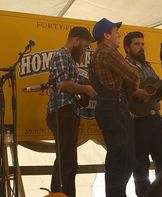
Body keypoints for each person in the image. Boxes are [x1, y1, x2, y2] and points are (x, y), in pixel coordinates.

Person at [89, 18, 149, 197]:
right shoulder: (109, 53)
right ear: (106, 36)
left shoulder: (97, 54)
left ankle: (115, 193)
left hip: (108, 106)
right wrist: (133, 76)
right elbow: (133, 74)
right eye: (116, 32)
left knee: (118, 156)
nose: (118, 35)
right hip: (114, 107)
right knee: (124, 157)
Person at [46, 26, 97, 197]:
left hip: (68, 111)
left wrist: (84, 90)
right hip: (62, 111)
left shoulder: (69, 58)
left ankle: (66, 194)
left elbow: (70, 84)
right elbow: (63, 84)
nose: (85, 49)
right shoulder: (61, 55)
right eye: (84, 45)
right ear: (75, 40)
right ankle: (58, 194)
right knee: (65, 161)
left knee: (69, 160)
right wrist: (86, 89)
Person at [123, 31, 162, 196]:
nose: (141, 47)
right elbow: (124, 93)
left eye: (143, 44)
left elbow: (155, 87)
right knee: (140, 165)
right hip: (137, 121)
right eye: (137, 44)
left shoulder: (147, 65)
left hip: (155, 118)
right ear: (127, 47)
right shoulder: (124, 66)